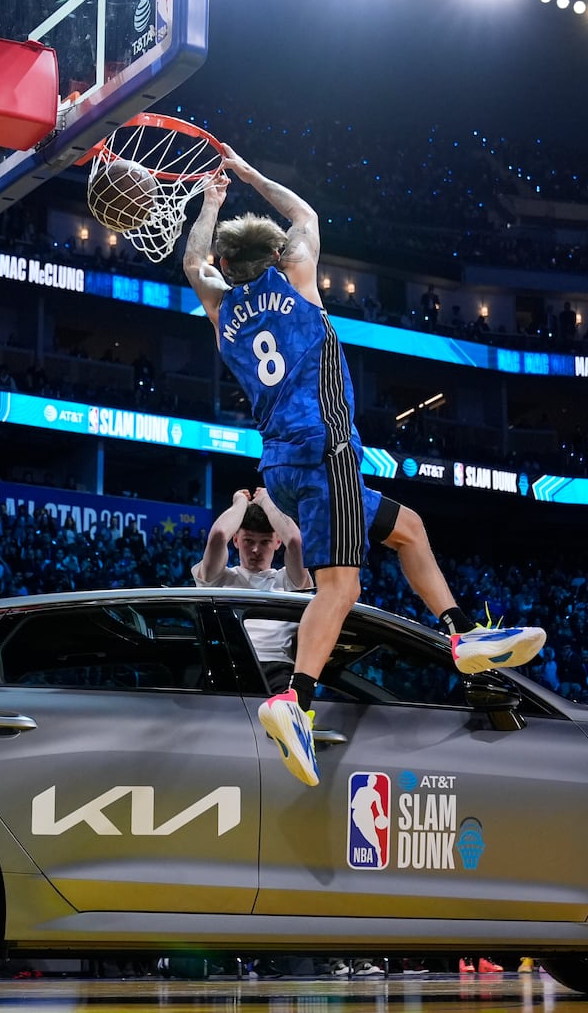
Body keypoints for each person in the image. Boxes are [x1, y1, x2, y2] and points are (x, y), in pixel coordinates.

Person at [183, 148, 545, 786]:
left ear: (226, 267)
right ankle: (294, 701)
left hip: (281, 468)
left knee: (408, 528)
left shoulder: (222, 314)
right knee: (340, 588)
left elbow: (192, 261)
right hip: (327, 452)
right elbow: (304, 212)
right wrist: (245, 175)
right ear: (273, 258)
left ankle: (462, 634)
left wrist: (209, 206)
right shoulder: (293, 278)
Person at [192, 488, 310, 672]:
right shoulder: (218, 578)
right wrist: (240, 502)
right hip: (227, 666)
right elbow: (218, 536)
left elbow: (295, 541)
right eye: (248, 541)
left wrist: (266, 501)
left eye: (264, 542)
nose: (256, 550)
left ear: (278, 542)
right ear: (236, 540)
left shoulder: (288, 581)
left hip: (278, 670)